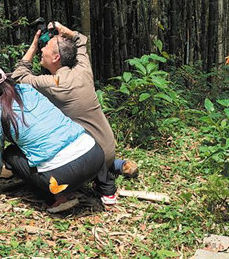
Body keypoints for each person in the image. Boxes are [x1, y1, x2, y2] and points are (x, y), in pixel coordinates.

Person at [12, 22, 137, 206]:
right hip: (108, 145)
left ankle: (104, 172)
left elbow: (18, 76)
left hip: (90, 156)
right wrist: (65, 31)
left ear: (55, 57)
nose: (41, 49)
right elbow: (81, 41)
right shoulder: (83, 70)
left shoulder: (54, 83)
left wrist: (32, 45)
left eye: (45, 47)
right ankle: (116, 165)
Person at [0, 64, 104, 213]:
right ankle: (105, 189)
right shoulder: (28, 90)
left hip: (62, 177)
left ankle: (61, 197)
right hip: (94, 154)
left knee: (10, 153)